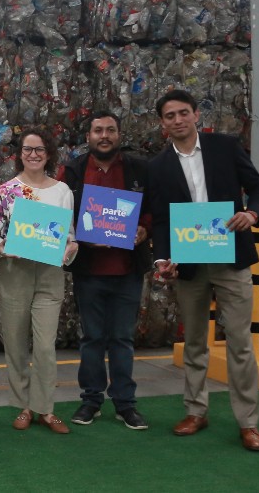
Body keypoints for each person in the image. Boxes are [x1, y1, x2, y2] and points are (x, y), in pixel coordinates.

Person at [148, 89, 259, 452]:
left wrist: (251, 214)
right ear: (162, 124)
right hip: (189, 265)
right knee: (195, 343)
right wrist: (162, 260)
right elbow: (160, 221)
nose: (178, 120)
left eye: (183, 113)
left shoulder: (225, 147)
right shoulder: (158, 166)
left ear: (197, 114)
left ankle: (248, 422)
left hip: (230, 259)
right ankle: (196, 411)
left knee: (240, 343)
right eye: (170, 116)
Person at [60, 110, 152, 429]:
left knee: (123, 339)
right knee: (92, 338)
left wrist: (143, 230)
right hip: (90, 270)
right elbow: (62, 213)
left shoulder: (139, 168)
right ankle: (91, 400)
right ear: (88, 137)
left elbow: (154, 208)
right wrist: (80, 238)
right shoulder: (72, 171)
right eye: (98, 130)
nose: (104, 136)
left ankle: (126, 403)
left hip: (127, 269)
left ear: (119, 135)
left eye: (110, 130)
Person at [0, 128, 78, 435]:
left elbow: (69, 236)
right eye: (28, 149)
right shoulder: (6, 191)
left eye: (39, 149)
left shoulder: (63, 191)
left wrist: (70, 248)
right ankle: (22, 406)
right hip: (16, 272)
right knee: (15, 342)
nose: (34, 155)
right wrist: (2, 248)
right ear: (20, 154)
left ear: (49, 153)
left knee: (44, 346)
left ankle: (46, 408)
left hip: (50, 273)